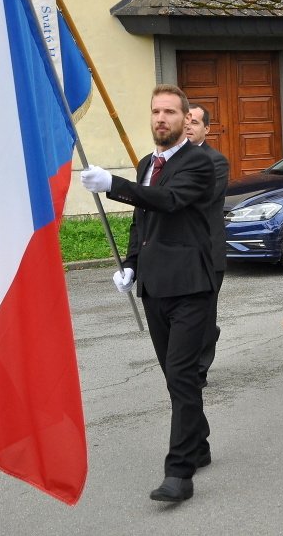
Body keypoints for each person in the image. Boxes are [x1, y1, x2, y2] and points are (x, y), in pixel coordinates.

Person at [80, 84, 216, 503]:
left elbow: (168, 201)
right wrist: (131, 263)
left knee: (181, 375)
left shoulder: (199, 163)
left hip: (191, 287)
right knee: (175, 377)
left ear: (185, 120)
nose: (161, 119)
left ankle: (179, 472)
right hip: (154, 286)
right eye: (156, 111)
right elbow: (143, 221)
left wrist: (112, 184)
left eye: (170, 113)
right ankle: (201, 443)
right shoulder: (147, 163)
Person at [186, 104, 229, 387]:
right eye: (186, 120)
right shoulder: (167, 159)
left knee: (204, 311)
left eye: (194, 121)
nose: (188, 125)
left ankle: (200, 369)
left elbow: (201, 200)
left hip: (207, 251)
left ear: (206, 129)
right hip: (179, 252)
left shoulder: (216, 161)